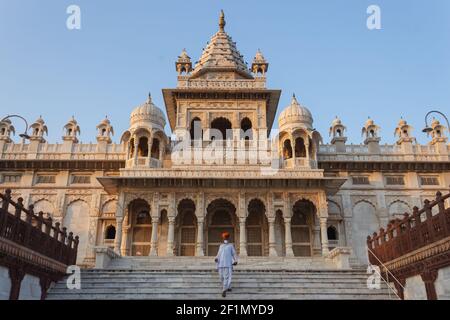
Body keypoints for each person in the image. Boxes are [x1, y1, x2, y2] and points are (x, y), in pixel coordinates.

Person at [214, 232, 238, 297]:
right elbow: (218, 254)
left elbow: (234, 254)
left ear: (228, 238)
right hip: (221, 263)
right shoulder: (221, 246)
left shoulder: (231, 246)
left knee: (226, 277)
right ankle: (227, 287)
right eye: (224, 237)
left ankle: (224, 290)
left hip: (228, 263)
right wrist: (216, 258)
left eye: (226, 237)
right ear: (223, 238)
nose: (225, 238)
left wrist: (235, 260)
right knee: (221, 277)